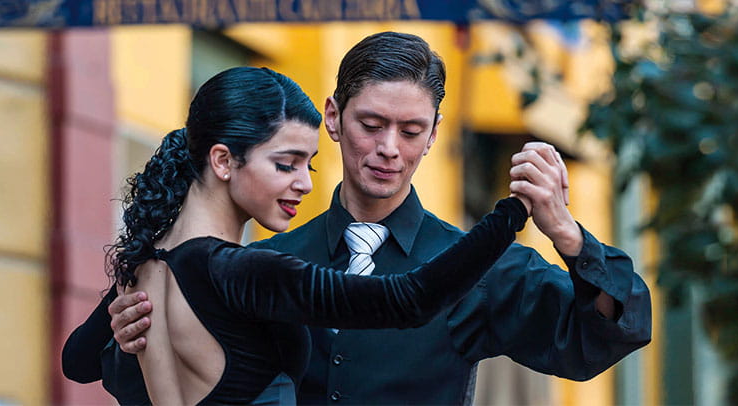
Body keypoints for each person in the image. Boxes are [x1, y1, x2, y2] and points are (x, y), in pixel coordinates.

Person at [67, 32, 652, 404]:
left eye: (411, 131)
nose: (389, 148)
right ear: (333, 117)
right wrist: (131, 341)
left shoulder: (483, 270)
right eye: (371, 125)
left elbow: (602, 336)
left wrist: (566, 233)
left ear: (434, 135)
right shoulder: (261, 260)